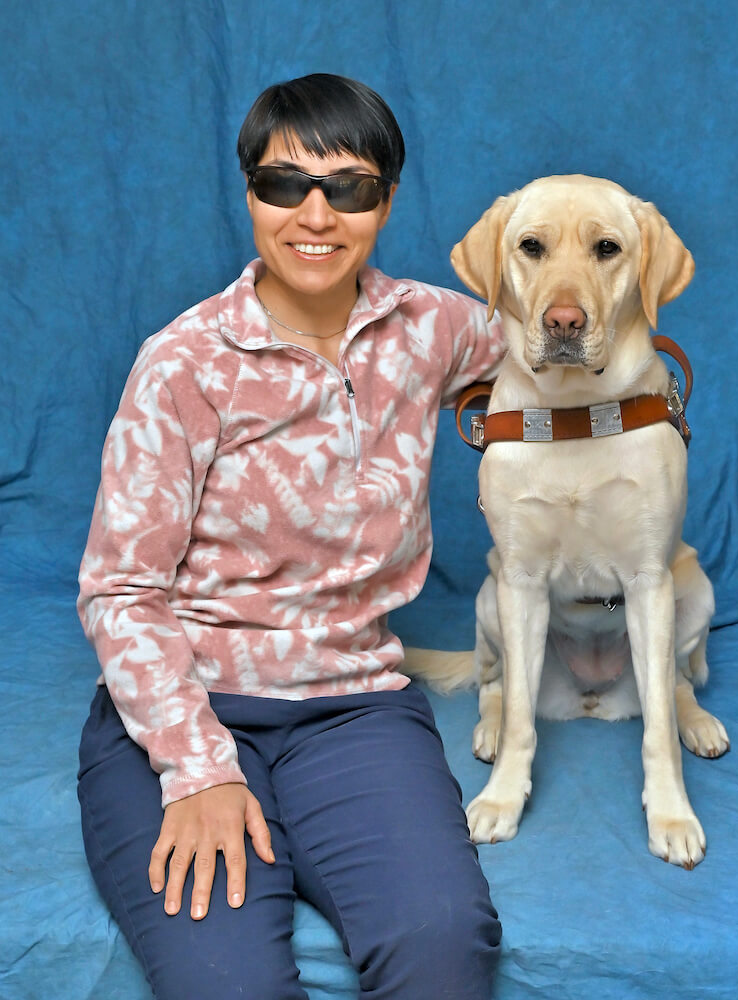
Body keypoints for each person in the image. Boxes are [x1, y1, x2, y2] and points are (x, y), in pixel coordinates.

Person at [77, 73, 506, 1000]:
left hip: (354, 706)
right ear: (250, 197)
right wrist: (196, 770)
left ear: (387, 202)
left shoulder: (434, 328)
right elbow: (120, 589)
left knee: (445, 949)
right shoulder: (183, 362)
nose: (315, 213)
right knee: (228, 983)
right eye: (284, 184)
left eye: (348, 186)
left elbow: (554, 355)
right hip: (188, 703)